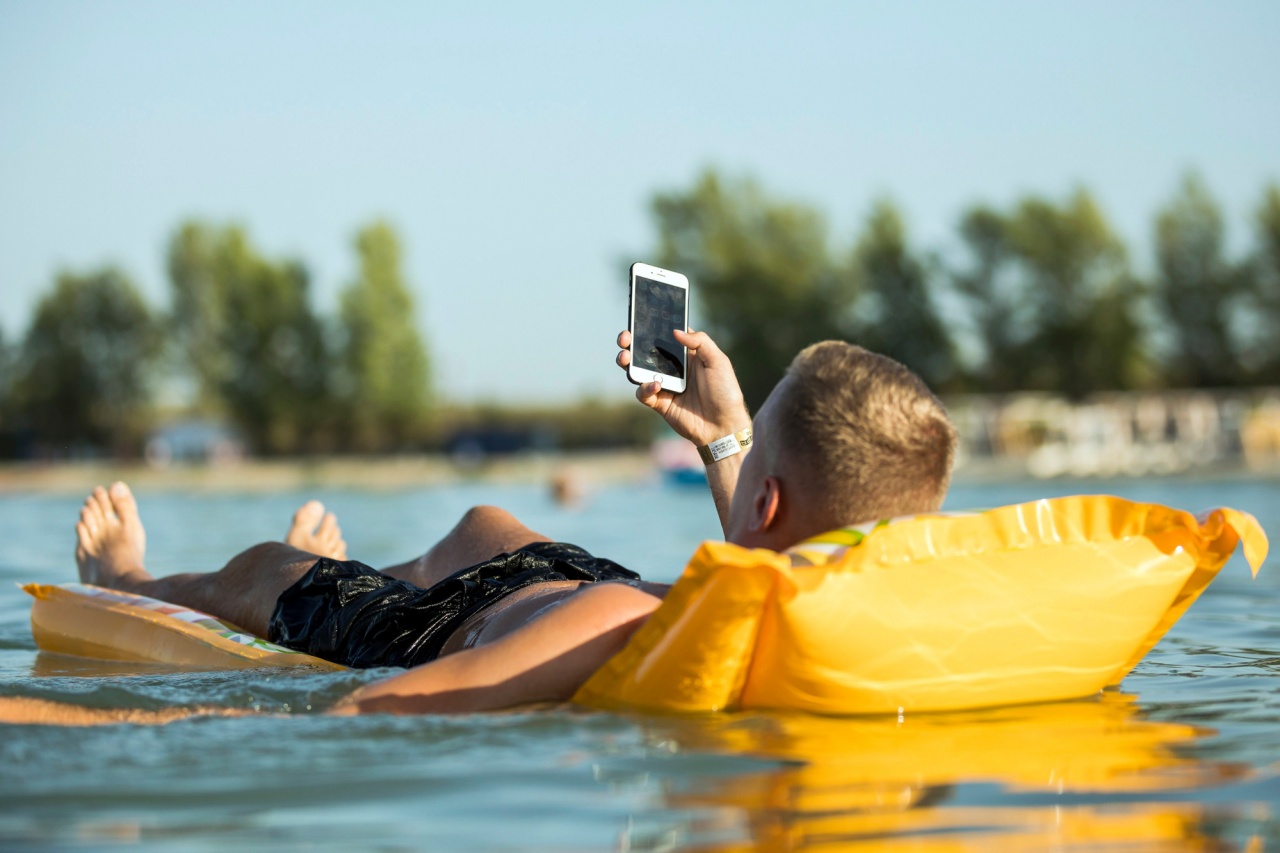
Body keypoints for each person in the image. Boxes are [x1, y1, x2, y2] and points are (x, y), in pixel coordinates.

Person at [0, 329, 956, 725]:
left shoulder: (610, 626)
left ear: (771, 496)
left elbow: (370, 709)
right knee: (484, 520)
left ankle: (126, 578)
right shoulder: (890, 612)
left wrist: (100, 716)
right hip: (560, 575)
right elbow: (772, 554)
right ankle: (366, 567)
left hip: (479, 623)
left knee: (265, 569)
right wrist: (725, 441)